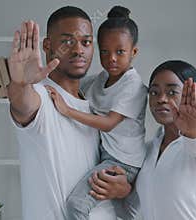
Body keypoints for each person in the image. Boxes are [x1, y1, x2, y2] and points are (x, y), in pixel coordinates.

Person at [7, 6, 131, 220]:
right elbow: (22, 104)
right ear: (47, 46)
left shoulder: (96, 104)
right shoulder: (41, 95)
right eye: (67, 41)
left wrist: (124, 189)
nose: (78, 50)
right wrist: (20, 83)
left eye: (86, 42)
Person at [45, 6, 147, 220]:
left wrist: (67, 110)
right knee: (120, 213)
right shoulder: (99, 81)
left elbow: (109, 123)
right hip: (105, 156)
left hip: (123, 163)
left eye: (120, 52)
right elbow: (72, 83)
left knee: (77, 206)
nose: (111, 58)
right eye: (104, 51)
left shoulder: (134, 86)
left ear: (134, 52)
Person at [89, 60, 196, 219]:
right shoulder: (147, 151)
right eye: (154, 92)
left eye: (172, 92)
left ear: (192, 97)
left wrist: (192, 133)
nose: (161, 99)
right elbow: (131, 213)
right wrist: (124, 191)